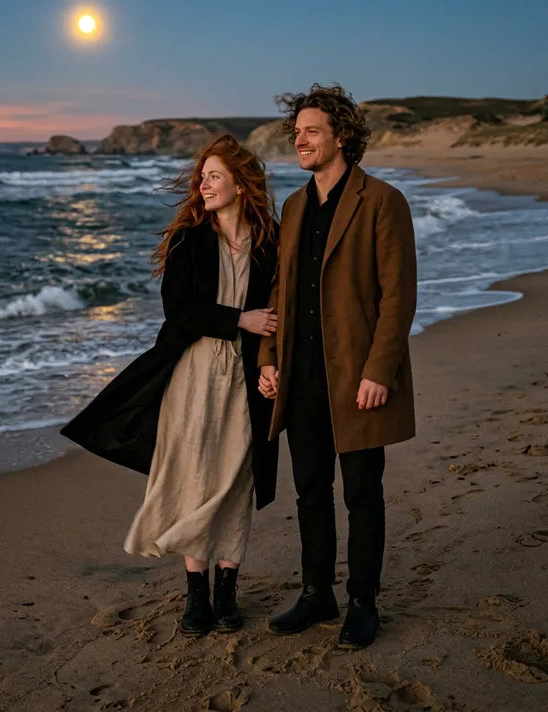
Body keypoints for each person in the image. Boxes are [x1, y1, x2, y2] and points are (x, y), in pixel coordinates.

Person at [62, 134, 279, 637]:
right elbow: (179, 312)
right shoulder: (188, 238)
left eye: (214, 176)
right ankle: (197, 597)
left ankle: (228, 593)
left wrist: (272, 363)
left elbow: (280, 310)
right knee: (198, 477)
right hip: (195, 372)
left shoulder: (272, 239)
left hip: (247, 378)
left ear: (241, 185)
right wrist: (239, 320)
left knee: (237, 481)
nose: (203, 184)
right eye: (201, 177)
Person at [258, 84, 417, 649]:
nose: (299, 139)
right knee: (308, 491)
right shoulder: (295, 206)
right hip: (299, 376)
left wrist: (380, 370)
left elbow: (398, 297)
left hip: (355, 375)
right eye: (296, 131)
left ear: (342, 136)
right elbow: (280, 289)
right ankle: (316, 592)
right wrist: (269, 357)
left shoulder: (381, 201)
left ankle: (363, 603)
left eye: (311, 131)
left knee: (361, 493)